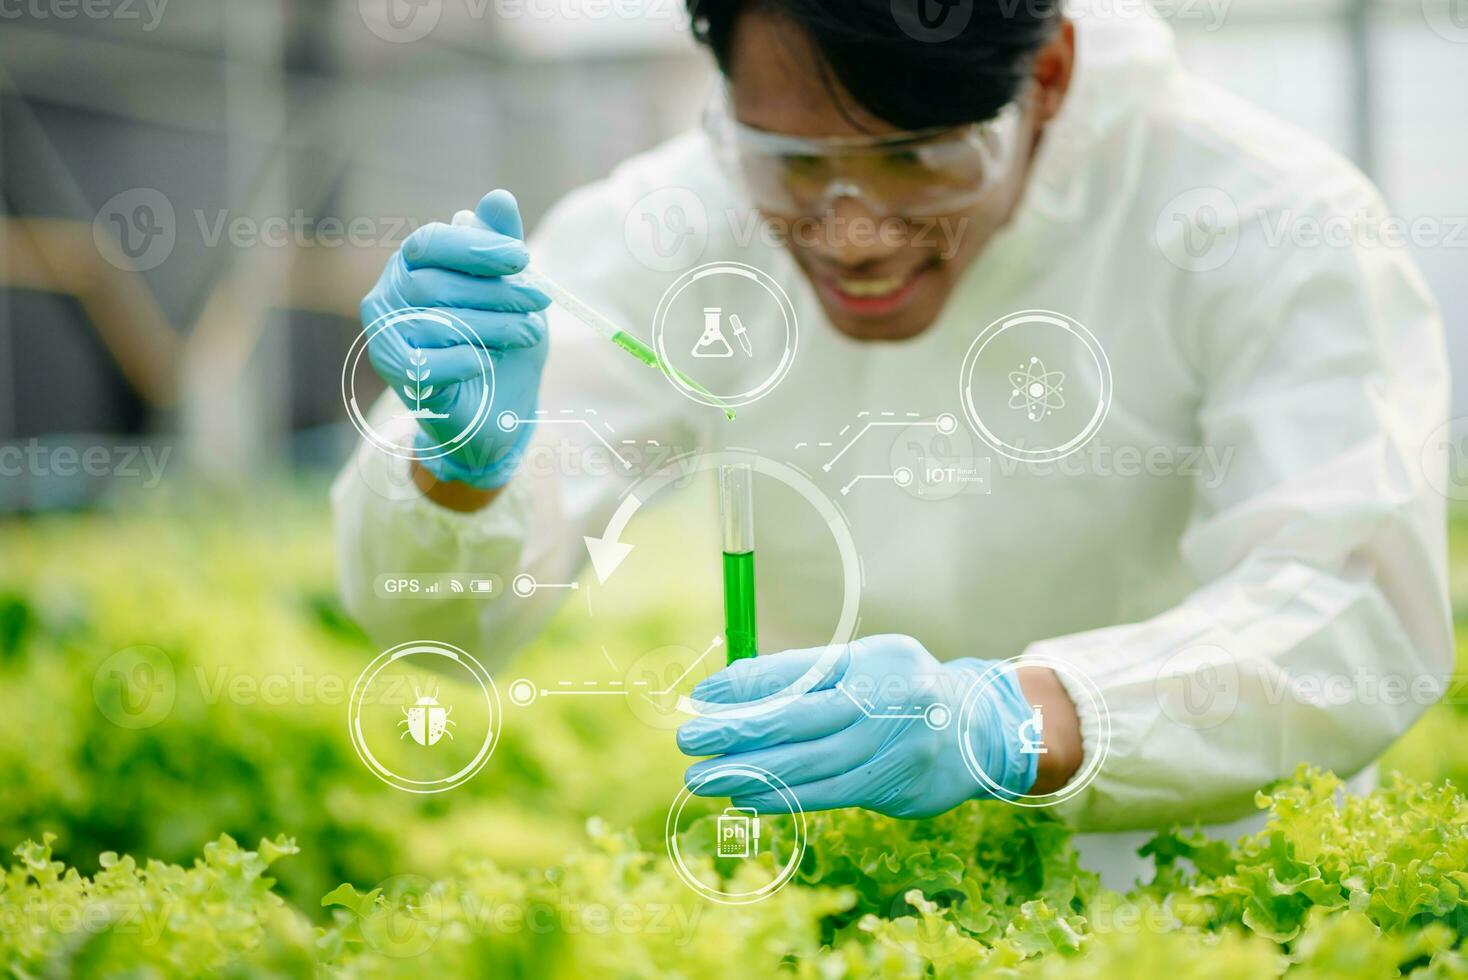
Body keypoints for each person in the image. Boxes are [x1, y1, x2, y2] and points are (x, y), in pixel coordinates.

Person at [333, 0, 1451, 884]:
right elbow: (419, 621)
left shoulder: (1259, 216)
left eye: (920, 158)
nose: (853, 230)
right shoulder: (681, 217)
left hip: (1199, 897)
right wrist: (458, 467)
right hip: (849, 890)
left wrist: (1011, 718)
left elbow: (1350, 600)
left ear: (1048, 75)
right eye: (793, 161)